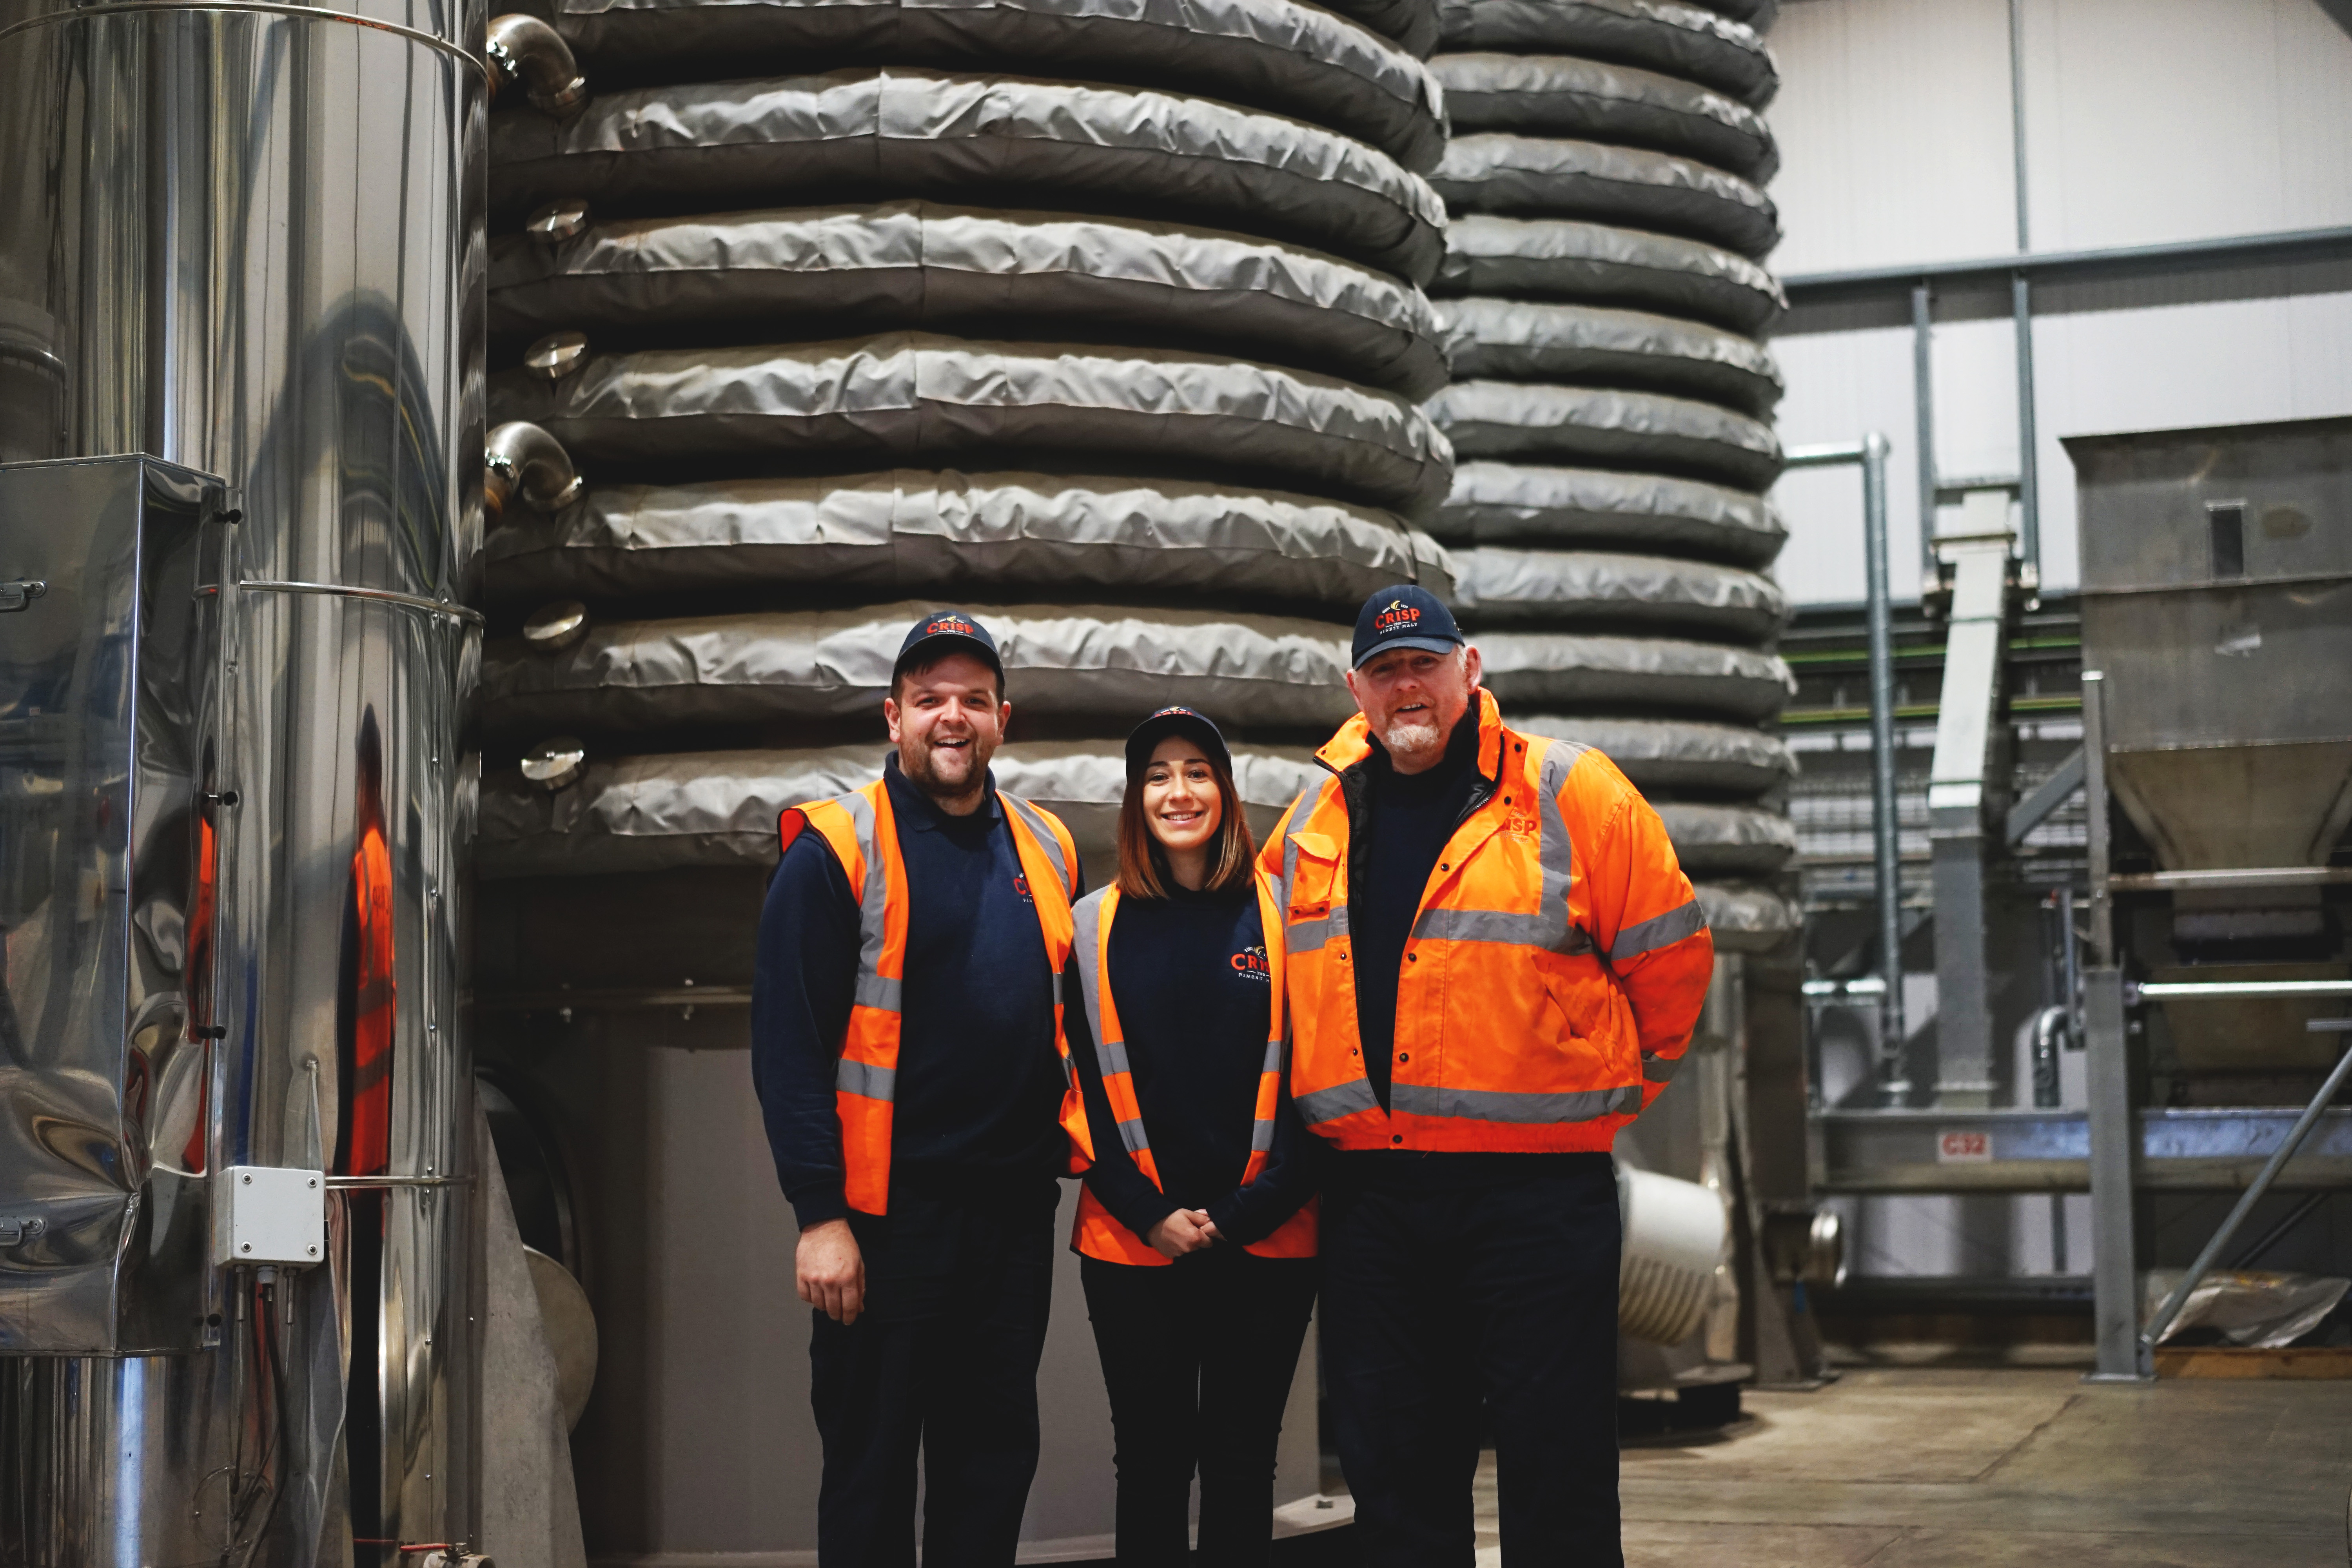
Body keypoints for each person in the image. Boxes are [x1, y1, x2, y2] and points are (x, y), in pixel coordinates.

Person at [1259, 586, 1714, 1567]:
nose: (1406, 686)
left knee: (1559, 1470)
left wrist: (1615, 1088)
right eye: (1385, 672)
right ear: (1355, 690)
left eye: (1424, 663)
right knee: (1397, 1478)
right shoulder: (1313, 818)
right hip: (1374, 1204)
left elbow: (1673, 961)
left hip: (1535, 1202)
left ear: (1471, 668)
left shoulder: (1569, 789)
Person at [750, 610, 1085, 1568]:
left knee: (990, 1477)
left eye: (973, 700)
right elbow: (789, 1050)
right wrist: (820, 1216)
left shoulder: (1049, 845)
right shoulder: (833, 849)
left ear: (1003, 719)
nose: (953, 717)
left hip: (1010, 1223)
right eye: (930, 698)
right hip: (882, 1230)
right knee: (871, 1479)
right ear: (891, 717)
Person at [1062, 707, 1319, 1568]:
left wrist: (1247, 1212)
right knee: (1152, 1464)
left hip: (1269, 1236)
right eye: (1159, 773)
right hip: (1134, 1244)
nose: (1180, 790)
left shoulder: (1288, 919)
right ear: (1136, 798)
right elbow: (1077, 1092)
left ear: (1228, 790)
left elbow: (1324, 1084)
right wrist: (1150, 1213)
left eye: (1198, 769)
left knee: (1243, 1465)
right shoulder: (1091, 926)